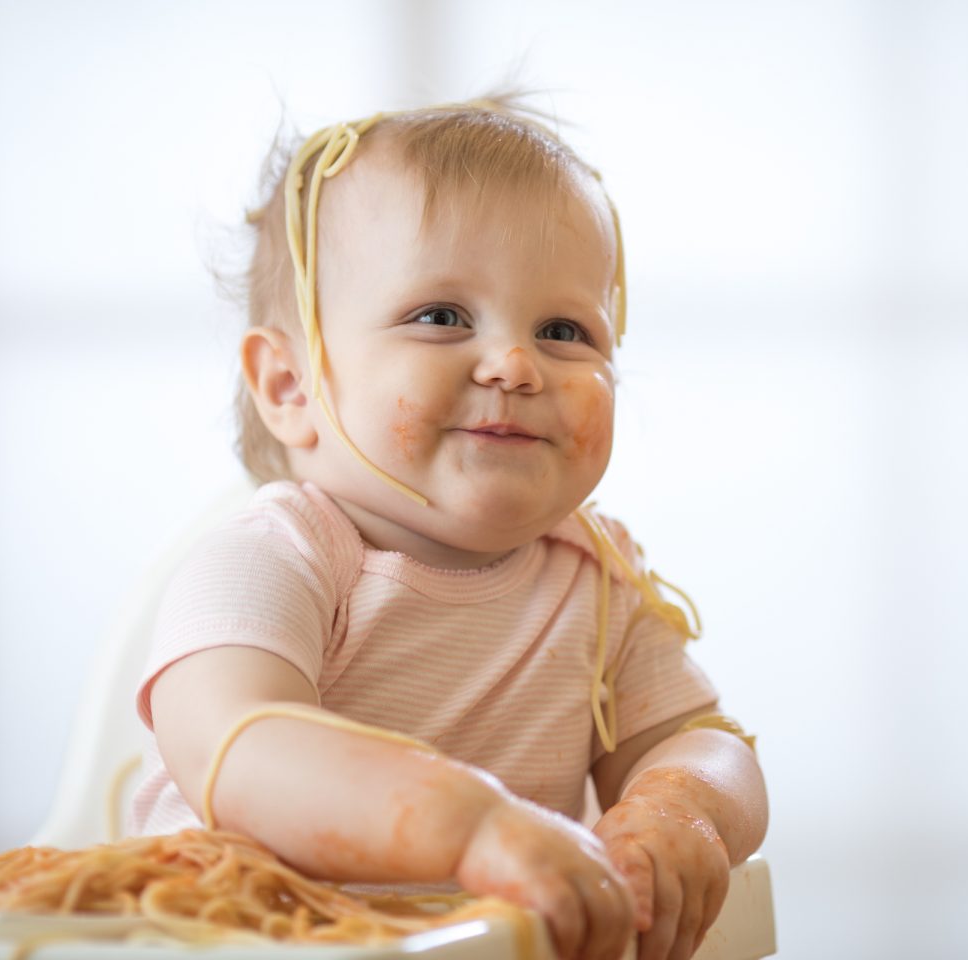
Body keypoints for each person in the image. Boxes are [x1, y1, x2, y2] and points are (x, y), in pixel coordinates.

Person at [130, 96, 769, 960]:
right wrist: (470, 829)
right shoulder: (279, 556)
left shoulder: (596, 579)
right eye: (440, 317)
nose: (514, 363)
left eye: (563, 331)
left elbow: (706, 743)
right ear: (288, 385)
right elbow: (238, 749)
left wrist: (680, 804)